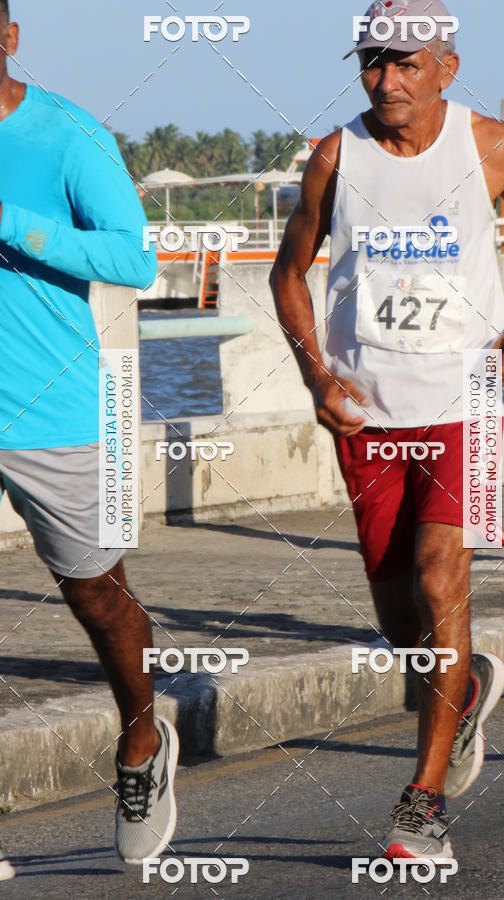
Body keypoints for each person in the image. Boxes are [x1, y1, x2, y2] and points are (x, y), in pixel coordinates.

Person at [270, 0, 504, 862]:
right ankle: (465, 680)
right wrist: (316, 376)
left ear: (447, 65)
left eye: (407, 63)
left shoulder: (491, 148)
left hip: (468, 399)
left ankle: (422, 804)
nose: (387, 80)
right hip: (367, 410)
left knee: (444, 578)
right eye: (372, 61)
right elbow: (287, 273)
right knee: (399, 612)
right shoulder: (338, 156)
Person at [0, 3, 177, 873]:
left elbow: (134, 261)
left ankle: (142, 739)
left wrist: (11, 222)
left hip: (57, 411)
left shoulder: (68, 136)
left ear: (8, 39)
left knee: (96, 596)